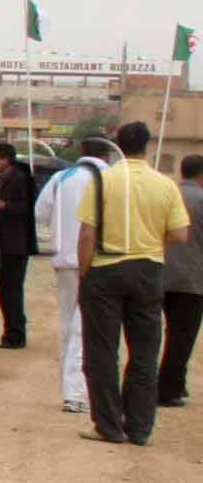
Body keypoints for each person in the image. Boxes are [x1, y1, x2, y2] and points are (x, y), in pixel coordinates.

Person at [74, 121, 190, 446]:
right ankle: (139, 428)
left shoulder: (104, 181)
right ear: (147, 146)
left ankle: (108, 425)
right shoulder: (165, 185)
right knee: (144, 352)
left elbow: (86, 233)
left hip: (106, 268)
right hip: (149, 270)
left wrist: (84, 272)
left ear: (118, 146)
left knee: (102, 350)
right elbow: (181, 234)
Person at [35, 139, 113, 413]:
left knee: (68, 325)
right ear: (107, 154)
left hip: (63, 260)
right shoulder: (109, 178)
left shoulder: (60, 177)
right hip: (96, 260)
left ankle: (69, 389)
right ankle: (76, 393)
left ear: (81, 152)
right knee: (84, 327)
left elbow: (40, 213)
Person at [160, 154, 203, 409]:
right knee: (182, 335)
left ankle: (175, 381)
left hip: (161, 273)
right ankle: (168, 388)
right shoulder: (200, 199)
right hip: (191, 278)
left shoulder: (168, 195)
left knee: (168, 332)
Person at [0, 142, 36, 348]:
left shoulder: (19, 178)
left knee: (11, 290)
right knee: (5, 289)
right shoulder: (5, 179)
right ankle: (11, 332)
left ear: (6, 159)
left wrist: (4, 206)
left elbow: (27, 208)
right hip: (6, 243)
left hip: (15, 245)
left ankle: (15, 334)